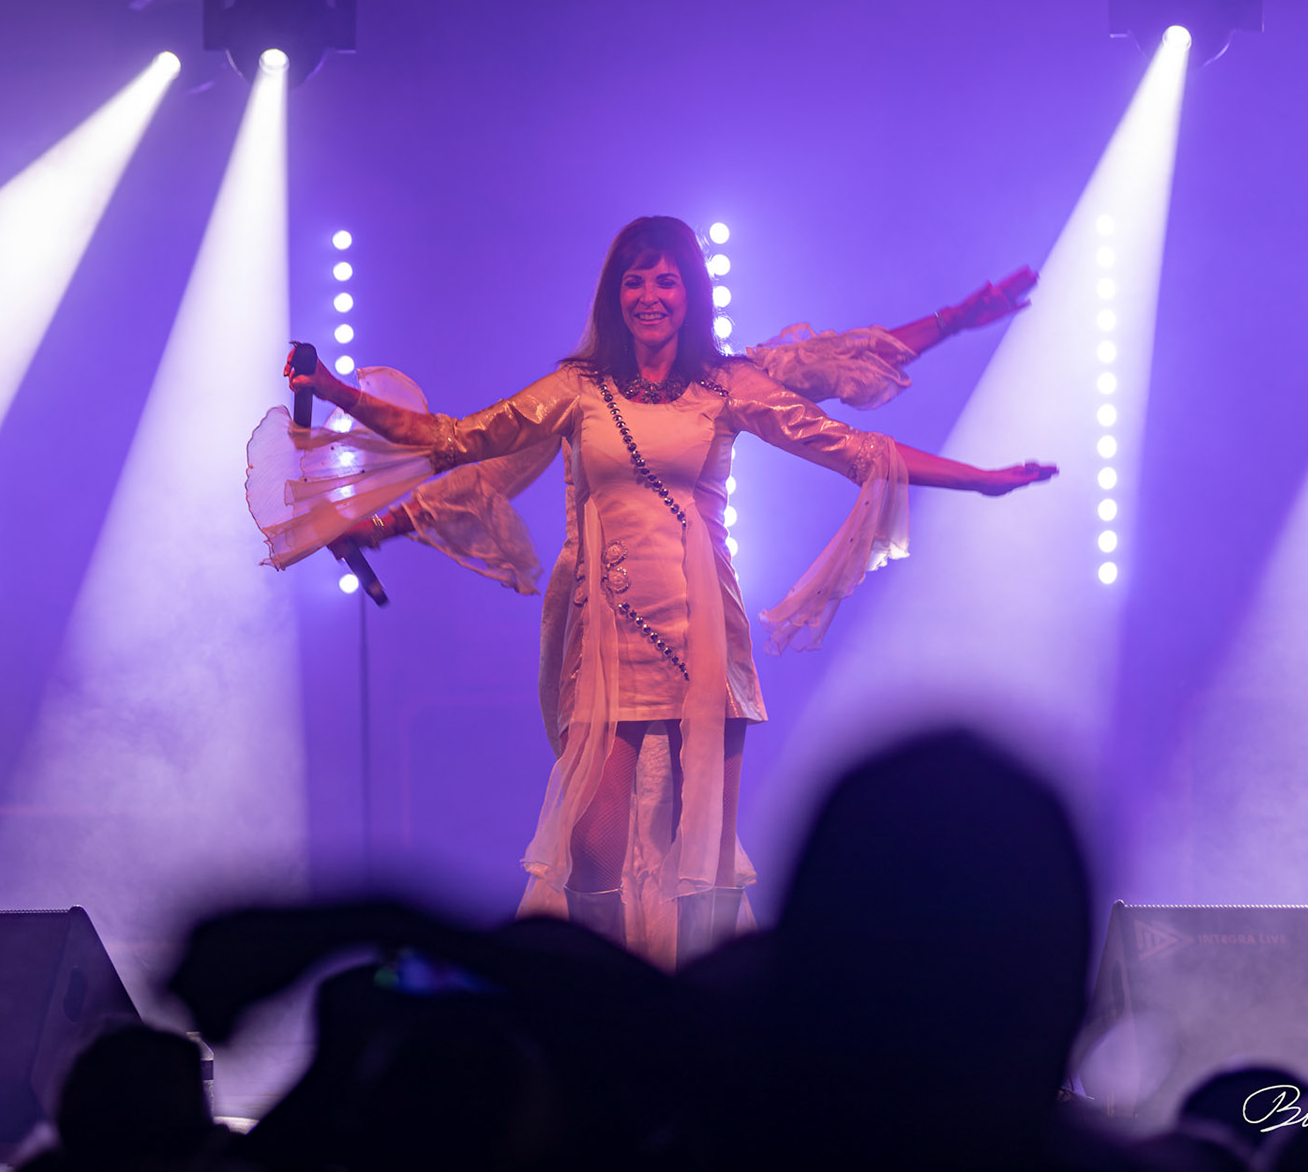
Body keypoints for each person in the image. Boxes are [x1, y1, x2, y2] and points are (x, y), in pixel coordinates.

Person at [245, 215, 1054, 967]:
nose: (649, 295)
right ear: (614, 294)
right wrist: (337, 391)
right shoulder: (577, 388)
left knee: (698, 862)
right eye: (635, 279)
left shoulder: (731, 384)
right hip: (607, 633)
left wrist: (978, 478)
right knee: (593, 852)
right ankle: (607, 1020)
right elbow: (460, 443)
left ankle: (696, 1045)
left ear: (691, 294)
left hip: (704, 632)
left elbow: (856, 443)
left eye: (666, 280)